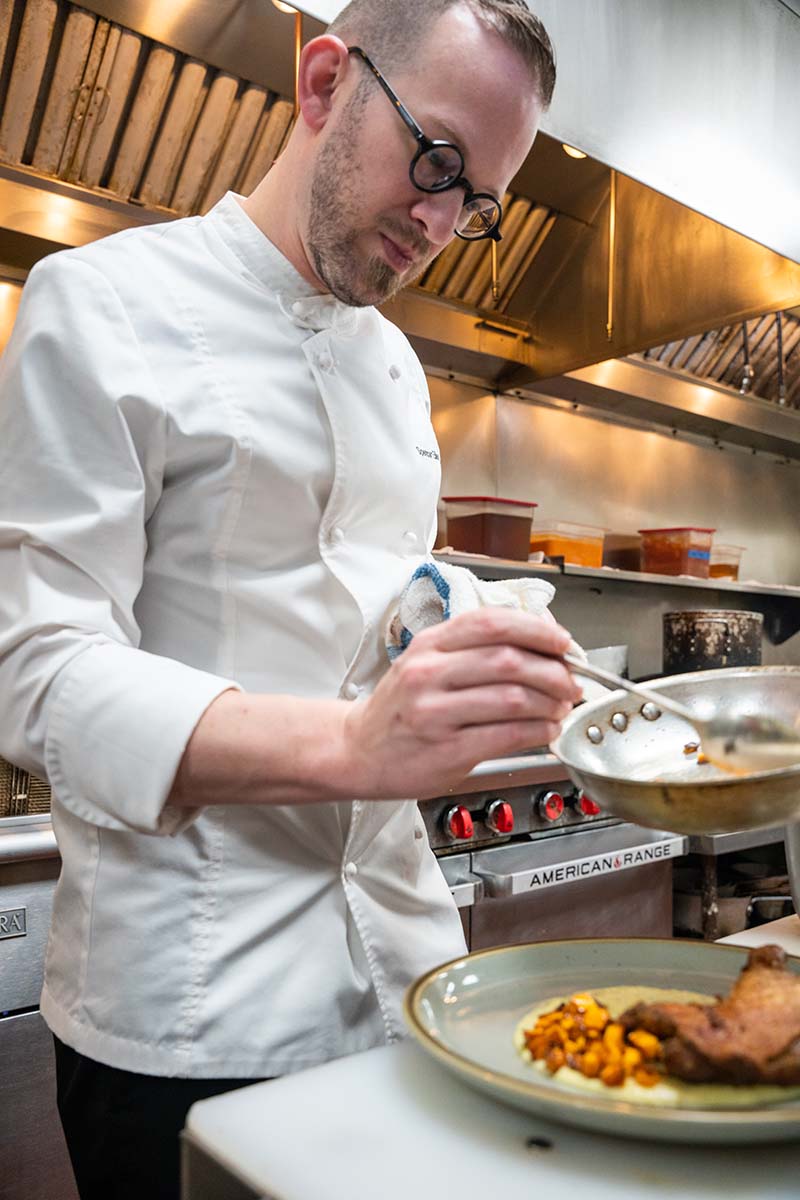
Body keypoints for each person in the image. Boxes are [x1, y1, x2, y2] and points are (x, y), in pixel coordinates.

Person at [0, 1, 577, 1196]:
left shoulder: (394, 366)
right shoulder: (100, 302)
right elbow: (34, 668)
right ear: (324, 83)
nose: (436, 223)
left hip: (404, 977)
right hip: (189, 1011)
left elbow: (369, 601)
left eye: (474, 206)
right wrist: (355, 743)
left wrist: (471, 625)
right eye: (435, 163)